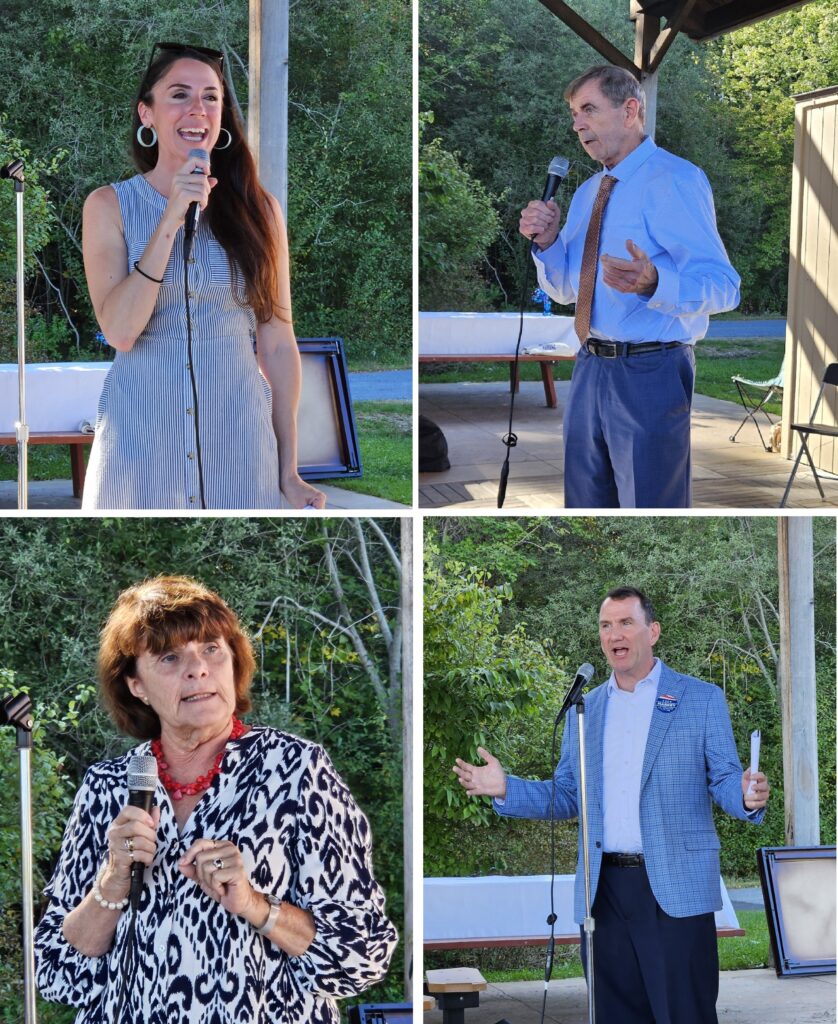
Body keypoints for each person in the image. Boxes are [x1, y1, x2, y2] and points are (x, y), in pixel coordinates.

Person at [35, 575, 396, 1023]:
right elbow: (56, 973)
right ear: (136, 685)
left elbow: (361, 953)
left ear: (233, 663)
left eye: (211, 649)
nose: (198, 669)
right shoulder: (107, 785)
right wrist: (112, 881)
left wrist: (254, 905)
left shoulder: (298, 770)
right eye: (169, 657)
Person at [454, 586, 769, 1024]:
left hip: (673, 888)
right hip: (603, 892)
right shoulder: (587, 708)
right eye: (606, 625)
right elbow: (568, 795)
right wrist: (507, 788)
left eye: (625, 623)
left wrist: (745, 795)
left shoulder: (700, 698)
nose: (613, 634)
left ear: (652, 631)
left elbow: (723, 779)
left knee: (685, 1014)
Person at [81, 42, 326, 510]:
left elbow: (276, 341)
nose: (198, 108)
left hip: (241, 439)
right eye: (179, 94)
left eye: (211, 97)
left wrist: (289, 470)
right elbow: (120, 331)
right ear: (146, 113)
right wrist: (171, 217)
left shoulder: (260, 210)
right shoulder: (107, 206)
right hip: (140, 440)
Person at [519, 65, 741, 509]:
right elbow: (568, 290)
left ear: (630, 110)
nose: (577, 123)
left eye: (588, 109)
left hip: (650, 370)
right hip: (588, 367)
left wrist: (656, 281)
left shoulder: (675, 179)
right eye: (573, 114)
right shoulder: (587, 192)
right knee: (584, 502)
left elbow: (725, 286)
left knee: (650, 502)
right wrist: (545, 243)